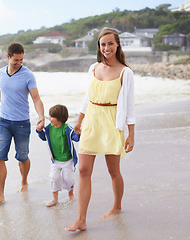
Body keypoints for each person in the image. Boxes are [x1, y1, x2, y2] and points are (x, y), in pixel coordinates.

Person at [65, 28, 135, 231]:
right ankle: (81, 219)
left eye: (110, 43)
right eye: (103, 44)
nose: (106, 48)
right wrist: (79, 120)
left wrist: (131, 134)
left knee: (113, 171)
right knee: (84, 170)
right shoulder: (93, 68)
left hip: (113, 122)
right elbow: (88, 97)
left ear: (118, 45)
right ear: (99, 46)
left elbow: (129, 105)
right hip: (92, 120)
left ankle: (117, 206)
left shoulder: (125, 72)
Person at [0, 43, 45, 207]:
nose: (19, 62)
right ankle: (0, 195)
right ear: (8, 57)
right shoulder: (0, 74)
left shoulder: (28, 75)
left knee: (22, 157)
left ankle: (24, 181)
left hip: (22, 123)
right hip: (3, 122)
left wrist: (41, 116)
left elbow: (36, 98)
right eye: (16, 60)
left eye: (21, 59)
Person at [36, 104, 80, 207]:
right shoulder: (48, 128)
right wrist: (39, 130)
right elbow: (44, 137)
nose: (49, 118)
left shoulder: (67, 128)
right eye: (49, 116)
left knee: (68, 179)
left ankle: (70, 194)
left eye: (52, 117)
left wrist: (78, 133)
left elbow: (75, 138)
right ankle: (55, 198)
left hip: (68, 160)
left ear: (60, 118)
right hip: (55, 160)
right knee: (54, 178)